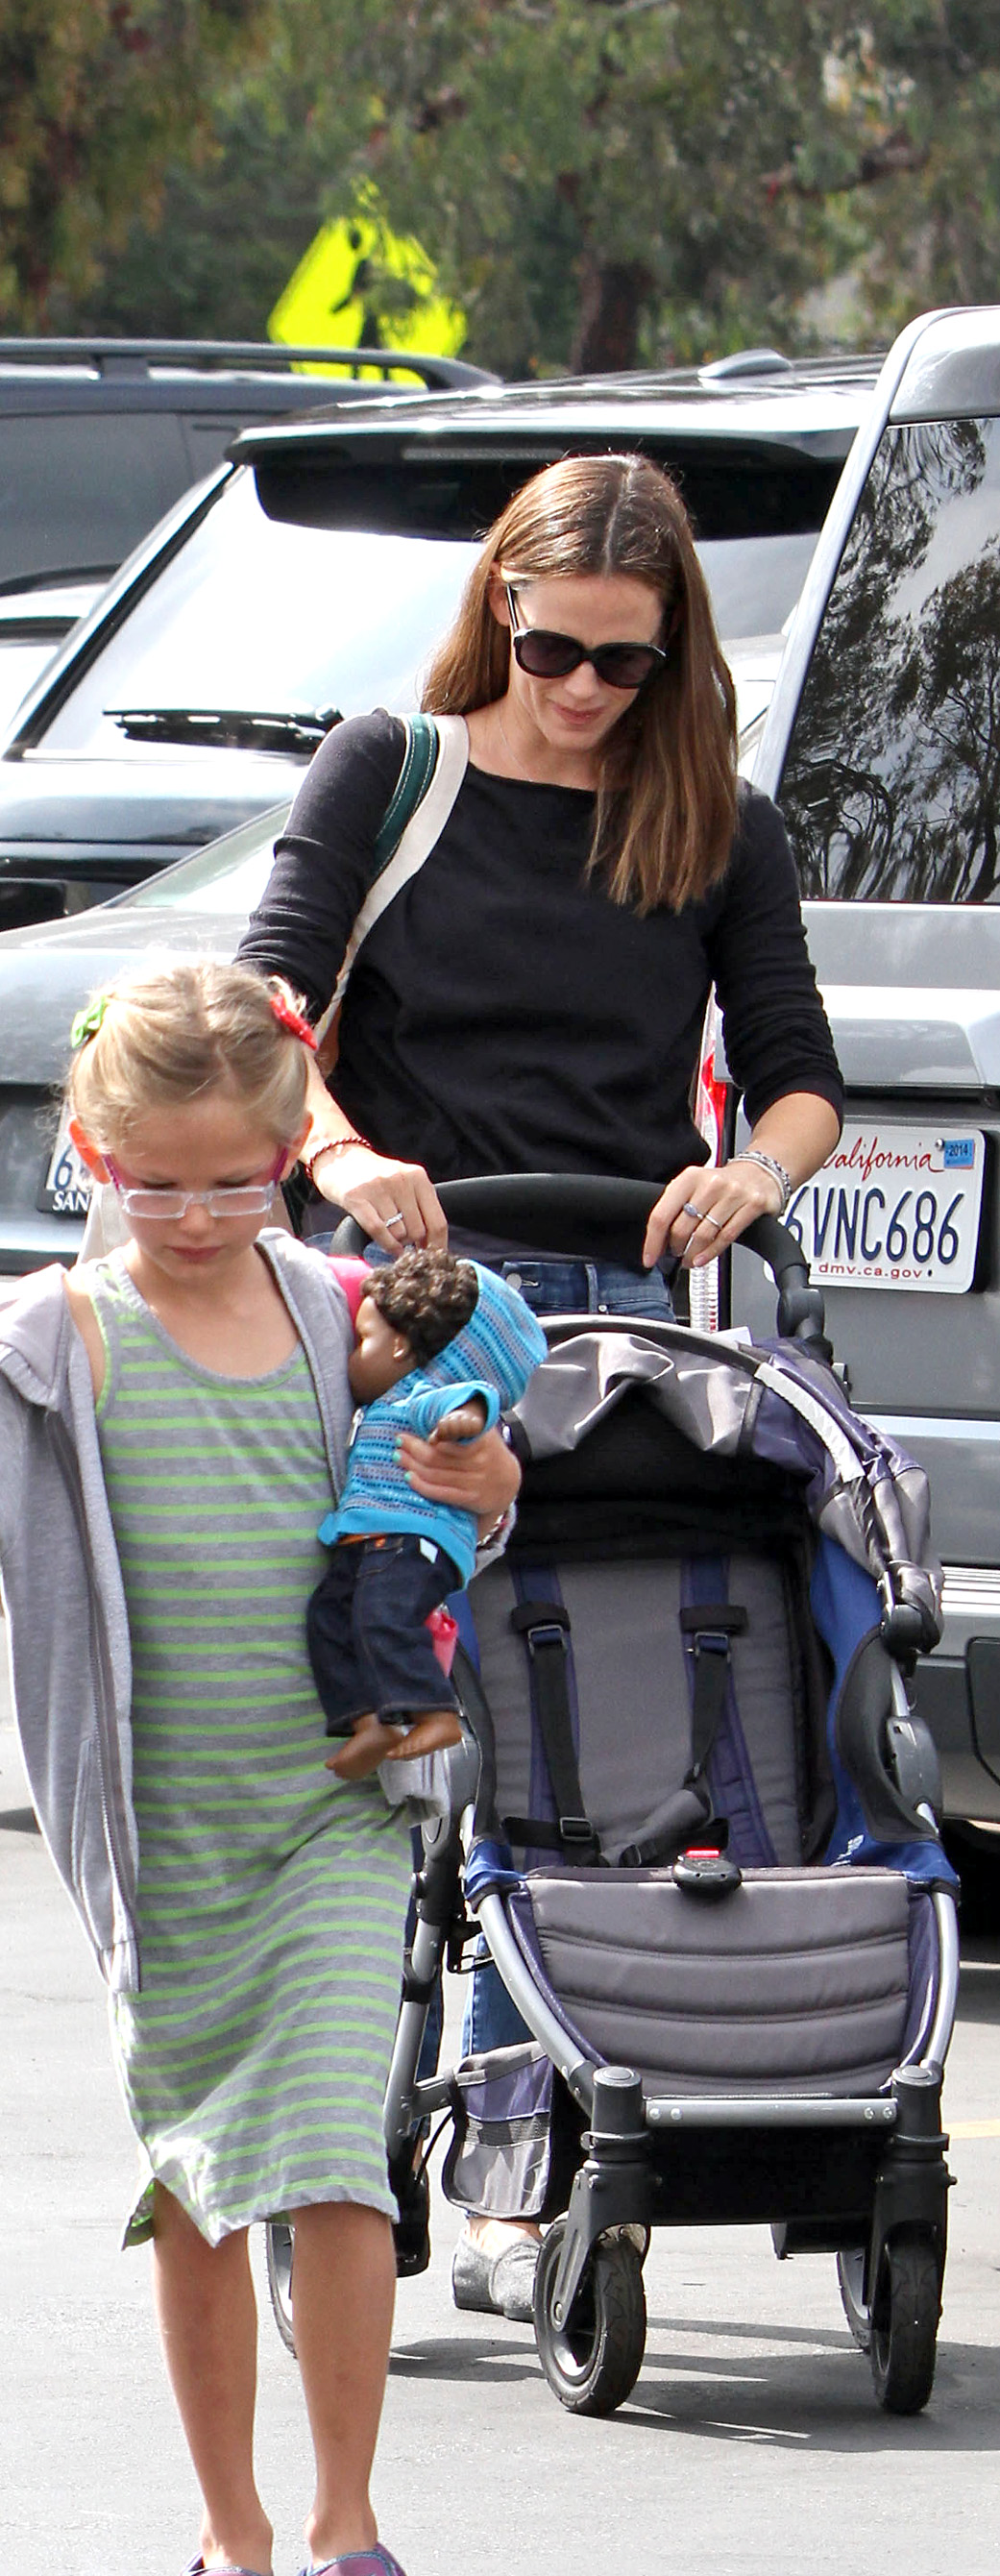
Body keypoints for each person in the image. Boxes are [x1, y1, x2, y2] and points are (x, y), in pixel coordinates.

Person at [0, 960, 521, 2576]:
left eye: (231, 1178)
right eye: (149, 1179)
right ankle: (228, 2534)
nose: (190, 1212)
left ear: (287, 1155)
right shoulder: (50, 1342)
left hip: (333, 1809)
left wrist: (490, 1486)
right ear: (85, 1153)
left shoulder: (345, 1317)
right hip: (160, 1837)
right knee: (194, 2186)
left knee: (331, 2154)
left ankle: (345, 2535)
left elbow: (444, 1493)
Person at [236, 450, 845, 2324]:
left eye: (625, 664)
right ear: (496, 609)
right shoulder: (390, 774)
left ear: (676, 666)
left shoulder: (712, 827)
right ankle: (323, 2150)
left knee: (563, 1752)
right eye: (554, 646)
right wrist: (335, 1160)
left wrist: (759, 1171)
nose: (582, 690)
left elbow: (803, 1071)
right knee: (374, 1742)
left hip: (615, 1322)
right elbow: (264, 1009)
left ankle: (510, 2169)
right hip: (407, 1310)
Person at [308, 1246, 547, 1779]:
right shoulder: (383, 1406)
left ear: (400, 1349)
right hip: (369, 1541)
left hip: (411, 1540)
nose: (351, 1356)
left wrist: (465, 1420)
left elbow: (467, 1397)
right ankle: (365, 1721)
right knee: (329, 1618)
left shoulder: (419, 1396)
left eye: (362, 1341)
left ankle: (434, 1711)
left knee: (384, 1617)